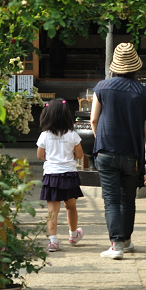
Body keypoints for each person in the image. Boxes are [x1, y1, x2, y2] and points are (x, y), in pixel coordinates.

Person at [90, 42, 146, 260]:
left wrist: (100, 139)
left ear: (114, 66)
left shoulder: (101, 87)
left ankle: (116, 244)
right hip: (132, 155)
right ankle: (126, 241)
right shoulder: (144, 93)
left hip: (106, 151)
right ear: (135, 67)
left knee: (110, 199)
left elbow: (93, 119)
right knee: (128, 200)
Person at [36, 99, 85, 252]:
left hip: (51, 175)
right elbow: (79, 155)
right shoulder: (72, 135)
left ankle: (53, 241)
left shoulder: (44, 135)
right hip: (69, 175)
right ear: (66, 115)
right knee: (71, 207)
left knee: (52, 210)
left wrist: (52, 159)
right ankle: (73, 235)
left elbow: (39, 155)